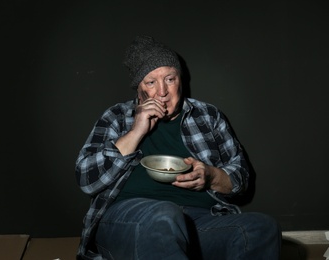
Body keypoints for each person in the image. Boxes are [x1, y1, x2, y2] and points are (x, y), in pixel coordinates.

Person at [75, 35, 281, 260]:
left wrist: (211, 176)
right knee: (164, 216)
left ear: (180, 80)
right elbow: (86, 180)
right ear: (138, 88)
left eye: (170, 79)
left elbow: (241, 178)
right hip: (130, 220)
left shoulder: (208, 116)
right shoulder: (116, 117)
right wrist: (135, 132)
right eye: (151, 82)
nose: (162, 92)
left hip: (199, 222)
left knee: (261, 228)